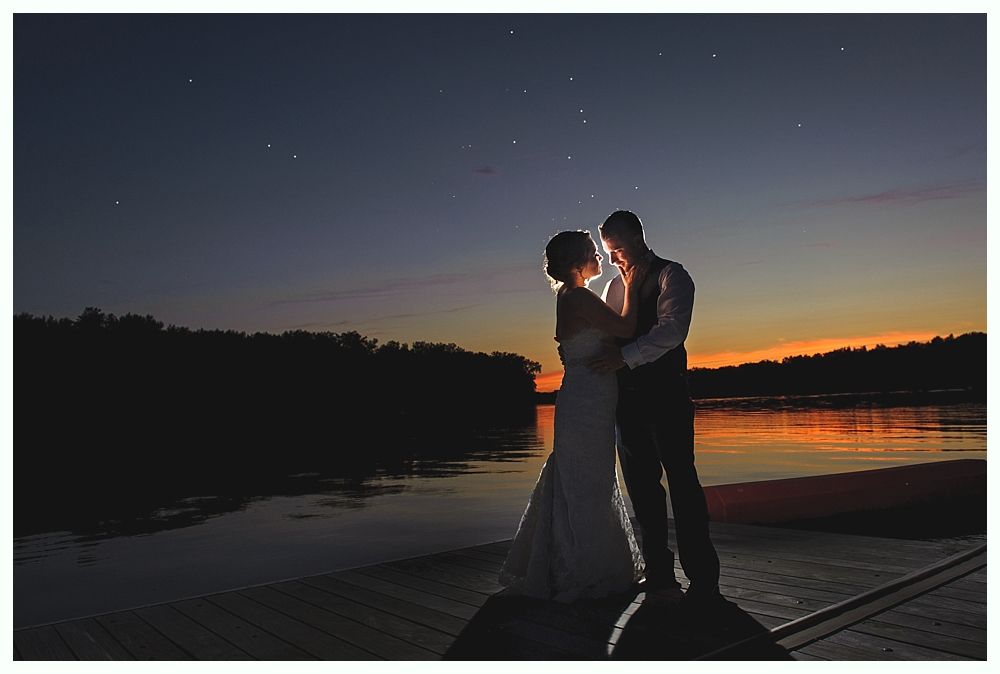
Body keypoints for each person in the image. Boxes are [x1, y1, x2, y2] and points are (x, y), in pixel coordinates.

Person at [498, 230, 646, 601]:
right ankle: (586, 569)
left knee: (580, 477)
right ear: (579, 261)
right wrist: (632, 284)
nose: (600, 257)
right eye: (594, 252)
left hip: (583, 395)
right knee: (589, 480)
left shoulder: (569, 295)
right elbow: (627, 327)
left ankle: (569, 561)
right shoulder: (578, 296)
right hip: (589, 399)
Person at [591, 210, 721, 604]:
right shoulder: (613, 288)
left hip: (667, 397)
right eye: (607, 252)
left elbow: (673, 330)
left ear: (636, 238)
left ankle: (703, 578)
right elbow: (604, 333)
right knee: (643, 490)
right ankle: (660, 575)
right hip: (625, 403)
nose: (612, 259)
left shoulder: (672, 275)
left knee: (683, 483)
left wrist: (624, 357)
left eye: (616, 250)